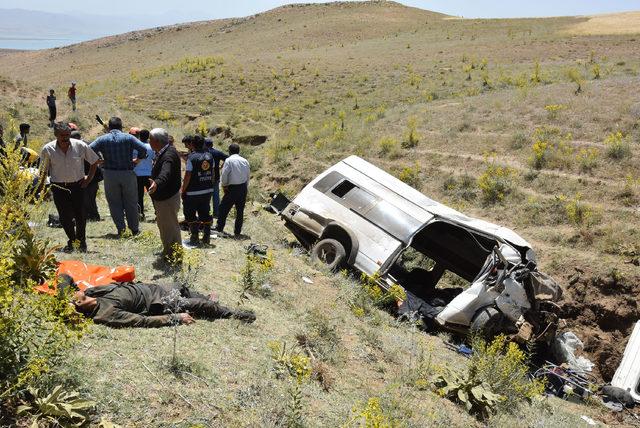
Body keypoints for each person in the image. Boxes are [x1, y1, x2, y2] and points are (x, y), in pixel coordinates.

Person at [68, 278, 256, 328]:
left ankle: (209, 301)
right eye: (74, 297)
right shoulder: (105, 314)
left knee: (181, 286)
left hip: (154, 288)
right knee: (200, 305)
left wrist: (63, 296)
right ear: (77, 306)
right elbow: (141, 321)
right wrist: (175, 317)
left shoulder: (92, 292)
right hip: (160, 303)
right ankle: (233, 314)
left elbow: (65, 277)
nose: (77, 291)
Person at [39, 122, 100, 252]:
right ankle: (72, 241)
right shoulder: (48, 149)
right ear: (56, 135)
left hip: (77, 186)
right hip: (59, 187)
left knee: (80, 215)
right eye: (62, 135)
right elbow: (43, 171)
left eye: (67, 134)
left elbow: (95, 161)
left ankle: (81, 242)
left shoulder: (80, 145)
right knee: (64, 216)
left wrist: (88, 179)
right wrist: (42, 189)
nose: (65, 138)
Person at [89, 117, 148, 236]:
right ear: (121, 126)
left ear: (109, 127)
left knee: (114, 202)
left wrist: (99, 160)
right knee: (131, 202)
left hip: (110, 174)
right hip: (128, 173)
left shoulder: (102, 139)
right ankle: (134, 229)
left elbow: (89, 149)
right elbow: (143, 149)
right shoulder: (129, 137)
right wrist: (137, 160)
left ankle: (121, 229)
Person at [148, 128, 182, 258]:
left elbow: (165, 172)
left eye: (150, 140)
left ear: (156, 141)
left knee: (170, 228)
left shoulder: (169, 155)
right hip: (163, 197)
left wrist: (157, 183)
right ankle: (168, 251)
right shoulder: (163, 151)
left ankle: (175, 256)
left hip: (167, 198)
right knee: (164, 226)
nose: (149, 142)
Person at [181, 135, 214, 245]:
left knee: (189, 214)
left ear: (193, 144)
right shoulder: (210, 156)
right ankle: (206, 236)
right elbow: (212, 173)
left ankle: (194, 236)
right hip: (207, 190)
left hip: (192, 192)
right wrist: (210, 186)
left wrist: (183, 189)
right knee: (205, 213)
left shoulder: (192, 157)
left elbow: (188, 175)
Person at [216, 143, 250, 237]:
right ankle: (237, 232)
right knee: (240, 211)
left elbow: (224, 175)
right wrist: (245, 187)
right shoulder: (245, 160)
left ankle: (219, 228)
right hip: (243, 188)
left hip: (232, 188)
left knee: (223, 208)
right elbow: (247, 176)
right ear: (239, 151)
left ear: (229, 151)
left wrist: (224, 186)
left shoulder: (229, 160)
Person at [71, 130, 103, 222]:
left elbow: (99, 159)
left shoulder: (85, 145)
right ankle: (90, 215)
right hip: (90, 174)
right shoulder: (88, 144)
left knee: (88, 197)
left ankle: (93, 216)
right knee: (88, 197)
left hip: (91, 175)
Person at [133, 129, 154, 220]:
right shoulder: (151, 147)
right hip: (149, 173)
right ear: (148, 137)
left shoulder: (135, 147)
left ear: (139, 136)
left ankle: (140, 214)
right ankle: (158, 212)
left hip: (137, 174)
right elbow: (154, 159)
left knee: (139, 196)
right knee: (153, 194)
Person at [204, 138, 228, 217]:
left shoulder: (204, 152)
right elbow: (228, 158)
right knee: (216, 196)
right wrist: (222, 165)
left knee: (206, 196)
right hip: (216, 177)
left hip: (205, 177)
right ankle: (216, 213)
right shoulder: (217, 153)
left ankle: (206, 212)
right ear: (212, 144)